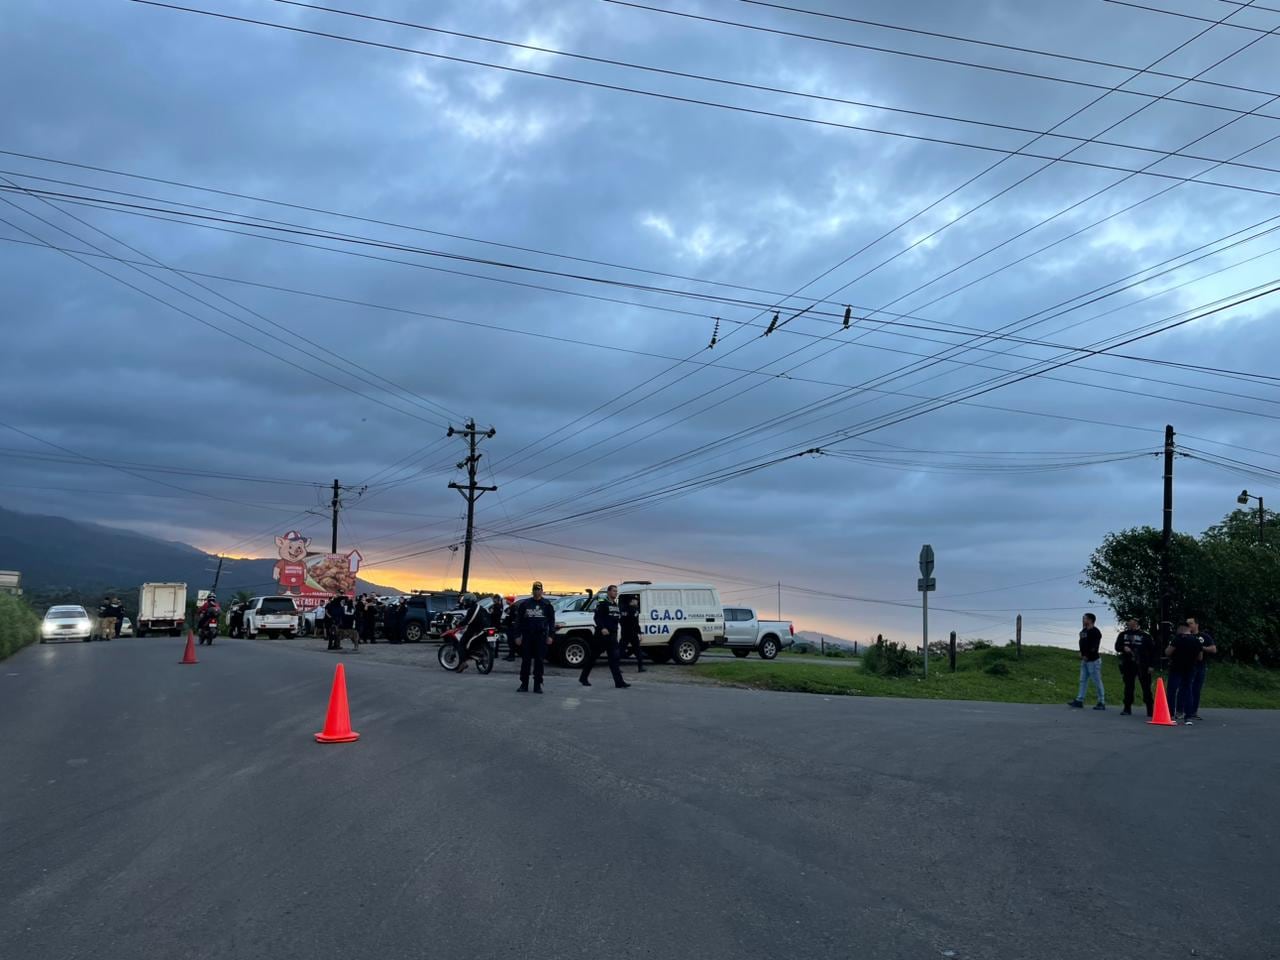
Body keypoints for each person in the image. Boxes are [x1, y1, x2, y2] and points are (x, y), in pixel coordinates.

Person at [580, 585, 630, 689]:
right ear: (608, 592)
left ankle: (619, 682)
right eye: (614, 591)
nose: (615, 593)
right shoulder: (603, 603)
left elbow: (617, 619)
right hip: (601, 636)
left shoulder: (616, 605)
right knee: (593, 657)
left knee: (614, 659)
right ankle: (583, 678)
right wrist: (602, 628)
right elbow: (597, 617)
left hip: (612, 636)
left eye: (616, 591)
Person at [513, 581, 556, 693]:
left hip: (541, 636)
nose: (537, 592)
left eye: (539, 590)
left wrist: (551, 635)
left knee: (539, 661)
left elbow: (551, 621)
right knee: (526, 661)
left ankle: (537, 685)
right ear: (532, 591)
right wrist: (517, 635)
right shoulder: (525, 604)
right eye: (535, 590)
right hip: (527, 636)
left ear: (542, 591)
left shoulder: (547, 605)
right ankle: (524, 684)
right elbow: (518, 621)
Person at [1115, 617, 1155, 717]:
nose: (1129, 622)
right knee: (1128, 687)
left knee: (1146, 687)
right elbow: (1117, 646)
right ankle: (1127, 708)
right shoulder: (1123, 634)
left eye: (1131, 621)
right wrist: (1123, 648)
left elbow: (1152, 651)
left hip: (1143, 665)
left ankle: (1150, 709)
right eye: (1128, 621)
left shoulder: (1145, 636)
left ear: (1136, 623)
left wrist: (1151, 665)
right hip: (1128, 664)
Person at [1068, 612, 1105, 710]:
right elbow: (1082, 643)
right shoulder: (1083, 631)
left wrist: (1087, 655)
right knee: (1082, 680)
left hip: (1093, 660)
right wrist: (1081, 653)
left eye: (1084, 618)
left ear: (1090, 620)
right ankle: (1079, 700)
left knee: (1097, 681)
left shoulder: (1095, 632)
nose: (1083, 620)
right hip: (1084, 660)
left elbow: (1094, 646)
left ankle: (1101, 701)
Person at [1165, 624, 1201, 722]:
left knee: (1172, 691)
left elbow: (1168, 652)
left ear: (1180, 630)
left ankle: (1170, 714)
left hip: (1176, 668)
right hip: (1190, 668)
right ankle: (1188, 716)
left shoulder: (1178, 639)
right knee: (1188, 690)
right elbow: (1200, 657)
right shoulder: (1196, 641)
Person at [1185, 617, 1217, 722]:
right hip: (1188, 666)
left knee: (1196, 689)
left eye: (1191, 623)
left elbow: (1213, 649)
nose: (1189, 625)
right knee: (1186, 688)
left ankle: (1194, 712)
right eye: (1187, 623)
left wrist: (1201, 648)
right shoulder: (1184, 636)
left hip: (1200, 666)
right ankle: (1182, 710)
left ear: (1196, 624)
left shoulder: (1203, 636)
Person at [453, 593, 488, 672]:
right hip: (486, 628)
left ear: (469, 601)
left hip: (477, 629)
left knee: (461, 643)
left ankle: (463, 662)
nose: (464, 603)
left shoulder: (472, 609)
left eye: (466, 601)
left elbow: (468, 620)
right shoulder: (481, 607)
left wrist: (459, 624)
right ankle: (473, 652)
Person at [620, 594, 645, 672]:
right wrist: (639, 632)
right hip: (631, 633)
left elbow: (621, 621)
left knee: (621, 649)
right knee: (637, 650)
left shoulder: (623, 609)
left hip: (625, 632)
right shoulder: (634, 610)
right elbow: (635, 622)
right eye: (635, 600)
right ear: (632, 601)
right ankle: (640, 667)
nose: (637, 601)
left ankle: (616, 666)